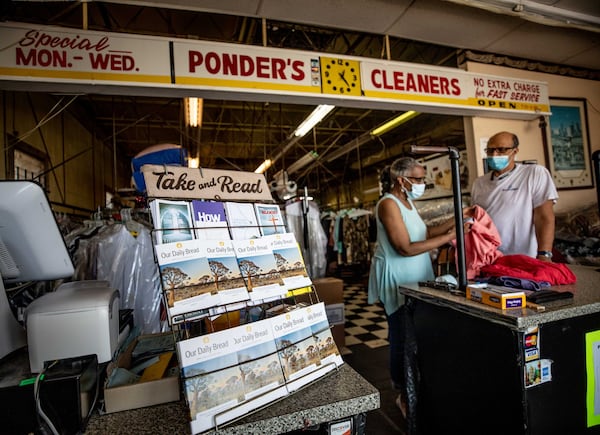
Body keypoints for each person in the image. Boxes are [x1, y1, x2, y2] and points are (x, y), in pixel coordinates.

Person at [367, 157, 464, 417]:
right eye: (419, 179)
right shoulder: (388, 204)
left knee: (415, 335)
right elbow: (405, 247)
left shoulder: (408, 202)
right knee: (400, 336)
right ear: (402, 180)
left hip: (417, 275)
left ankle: (414, 386)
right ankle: (402, 394)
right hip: (399, 277)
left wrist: (459, 220)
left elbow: (425, 233)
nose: (422, 183)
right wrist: (449, 237)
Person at [471, 131, 558, 262]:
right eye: (490, 150)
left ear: (515, 151)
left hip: (524, 257)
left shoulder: (534, 173)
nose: (494, 154)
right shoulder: (479, 183)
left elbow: (544, 217)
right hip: (488, 258)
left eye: (501, 150)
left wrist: (544, 254)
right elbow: (477, 219)